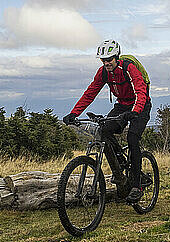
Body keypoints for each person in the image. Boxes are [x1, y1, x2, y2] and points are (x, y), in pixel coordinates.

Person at [63, 40, 151, 203]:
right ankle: (121, 171)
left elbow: (141, 91)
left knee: (132, 138)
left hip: (141, 104)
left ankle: (137, 185)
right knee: (104, 131)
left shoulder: (128, 68)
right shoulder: (103, 72)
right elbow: (90, 93)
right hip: (122, 105)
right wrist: (74, 113)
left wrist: (135, 111)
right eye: (103, 60)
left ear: (116, 57)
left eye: (109, 59)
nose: (106, 62)